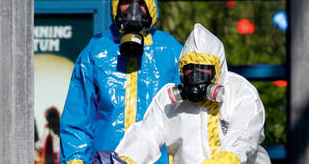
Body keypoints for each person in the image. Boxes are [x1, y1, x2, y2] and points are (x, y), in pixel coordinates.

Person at [59, 0, 183, 163]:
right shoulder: (96, 52)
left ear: (151, 7)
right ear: (116, 5)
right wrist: (75, 160)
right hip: (106, 158)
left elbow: (191, 115)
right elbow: (78, 117)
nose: (134, 10)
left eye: (141, 2)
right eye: (127, 1)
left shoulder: (170, 51)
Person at [113, 23, 271, 164]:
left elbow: (244, 135)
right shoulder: (168, 100)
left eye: (203, 72)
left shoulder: (240, 92)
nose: (195, 80)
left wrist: (228, 159)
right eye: (189, 71)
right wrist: (126, 159)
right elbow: (147, 134)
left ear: (218, 71)